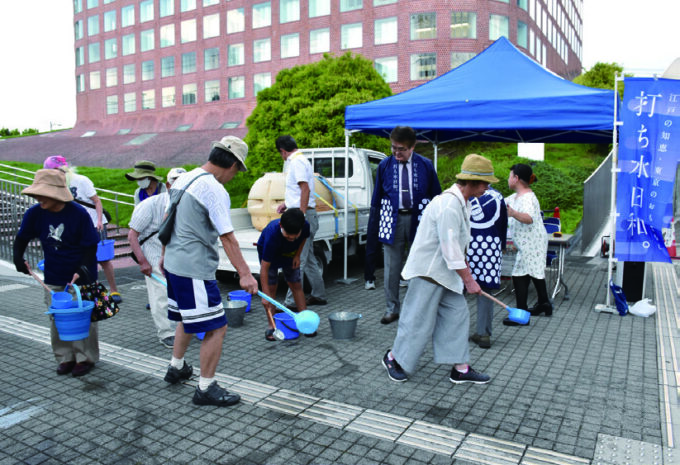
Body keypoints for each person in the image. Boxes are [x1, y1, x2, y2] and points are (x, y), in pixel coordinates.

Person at [381, 154, 496, 385]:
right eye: (485, 183)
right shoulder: (448, 205)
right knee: (417, 321)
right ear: (472, 182)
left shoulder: (462, 202)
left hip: (446, 274)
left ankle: (460, 368)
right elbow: (451, 250)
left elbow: (455, 250)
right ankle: (394, 358)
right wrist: (470, 280)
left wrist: (464, 276)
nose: (487, 187)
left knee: (457, 316)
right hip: (429, 272)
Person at [162, 135, 258, 407]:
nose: (235, 176)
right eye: (238, 170)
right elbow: (228, 237)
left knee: (187, 319)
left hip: (174, 265)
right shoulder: (213, 189)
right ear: (233, 164)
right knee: (217, 327)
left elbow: (169, 220)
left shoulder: (184, 178)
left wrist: (165, 255)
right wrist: (245, 274)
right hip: (194, 269)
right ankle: (206, 387)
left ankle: (176, 367)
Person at [13, 169, 100, 377]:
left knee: (82, 318)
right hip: (53, 275)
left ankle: (84, 358)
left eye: (42, 194)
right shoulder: (34, 213)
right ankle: (65, 357)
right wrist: (18, 257)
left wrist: (82, 269)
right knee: (57, 317)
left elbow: (90, 246)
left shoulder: (77, 213)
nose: (37, 198)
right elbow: (21, 238)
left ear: (56, 195)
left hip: (80, 275)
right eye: (36, 194)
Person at [368, 126, 441, 324]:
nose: (397, 153)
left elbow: (436, 196)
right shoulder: (384, 166)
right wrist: (373, 228)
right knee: (391, 267)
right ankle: (392, 308)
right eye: (394, 148)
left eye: (401, 149)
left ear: (412, 147)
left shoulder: (425, 165)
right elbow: (376, 199)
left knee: (420, 265)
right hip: (392, 220)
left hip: (420, 220)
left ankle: (418, 309)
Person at [43, 155, 123, 305]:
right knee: (84, 261)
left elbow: (96, 201)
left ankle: (113, 290)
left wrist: (99, 220)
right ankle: (90, 294)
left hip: (94, 224)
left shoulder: (81, 180)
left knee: (103, 259)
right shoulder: (55, 186)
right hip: (76, 228)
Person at [128, 167, 186, 348]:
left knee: (179, 294)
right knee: (160, 295)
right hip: (152, 257)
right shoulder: (151, 205)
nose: (180, 186)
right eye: (176, 181)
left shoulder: (188, 203)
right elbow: (132, 235)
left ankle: (181, 328)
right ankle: (166, 333)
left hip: (177, 257)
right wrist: (142, 261)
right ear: (168, 184)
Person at [275, 135, 327, 308]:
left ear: (283, 151)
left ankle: (291, 302)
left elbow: (304, 188)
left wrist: (300, 216)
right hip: (303, 213)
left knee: (298, 260)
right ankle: (319, 295)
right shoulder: (301, 160)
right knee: (309, 259)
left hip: (303, 217)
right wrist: (287, 204)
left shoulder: (296, 162)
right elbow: (299, 191)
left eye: (280, 153)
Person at [504, 163, 552, 325]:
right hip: (529, 243)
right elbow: (502, 203)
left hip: (532, 242)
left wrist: (513, 213)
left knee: (520, 275)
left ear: (516, 178)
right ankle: (544, 303)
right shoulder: (515, 197)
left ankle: (521, 314)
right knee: (534, 272)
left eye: (510, 176)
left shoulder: (528, 198)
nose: (508, 179)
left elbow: (529, 218)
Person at [256, 208, 311, 341]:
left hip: (290, 254)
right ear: (281, 226)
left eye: (294, 236)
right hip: (270, 257)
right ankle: (272, 326)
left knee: (296, 284)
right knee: (271, 289)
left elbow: (304, 238)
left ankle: (305, 322)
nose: (292, 239)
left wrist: (298, 255)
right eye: (288, 236)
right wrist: (265, 294)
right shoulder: (272, 234)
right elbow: (264, 268)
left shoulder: (304, 226)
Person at [466, 187, 508, 349]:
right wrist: (502, 246)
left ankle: (453, 331)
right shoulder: (498, 196)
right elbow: (503, 224)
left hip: (467, 244)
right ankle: (483, 334)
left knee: (457, 290)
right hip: (491, 246)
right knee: (485, 291)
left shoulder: (465, 194)